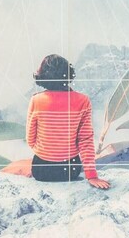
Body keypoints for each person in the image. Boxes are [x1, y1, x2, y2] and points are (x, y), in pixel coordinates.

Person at [26, 54, 110, 189]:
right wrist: (92, 176)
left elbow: (30, 139)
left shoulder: (35, 100)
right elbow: (85, 140)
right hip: (70, 171)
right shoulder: (83, 101)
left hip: (41, 170)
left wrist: (47, 153)